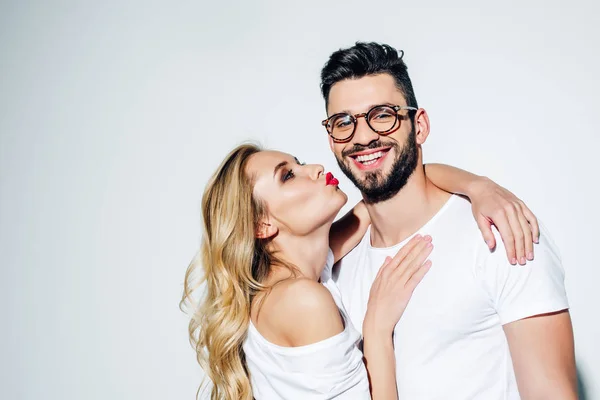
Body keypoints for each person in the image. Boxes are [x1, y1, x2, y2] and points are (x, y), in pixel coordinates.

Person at [181, 143, 541, 399]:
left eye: (300, 162)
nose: (315, 169)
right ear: (262, 224)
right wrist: (377, 327)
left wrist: (479, 187)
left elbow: (395, 188)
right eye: (288, 176)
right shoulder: (303, 300)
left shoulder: (292, 276)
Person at [320, 42, 576, 399]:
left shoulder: (498, 232)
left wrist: (477, 186)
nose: (363, 137)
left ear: (419, 125)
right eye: (343, 122)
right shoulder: (330, 269)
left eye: (383, 115)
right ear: (331, 140)